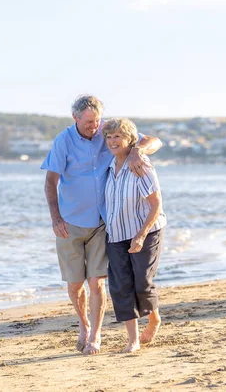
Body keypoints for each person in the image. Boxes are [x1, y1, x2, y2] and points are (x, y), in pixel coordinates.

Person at [41, 95, 162, 355]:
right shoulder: (64, 141)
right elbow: (51, 182)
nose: (94, 127)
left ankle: (95, 336)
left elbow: (154, 141)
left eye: (96, 121)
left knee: (96, 282)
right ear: (75, 118)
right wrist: (55, 218)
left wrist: (138, 151)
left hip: (101, 222)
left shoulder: (109, 131)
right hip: (70, 222)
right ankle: (84, 326)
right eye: (88, 122)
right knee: (75, 285)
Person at [102, 117, 167, 353]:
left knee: (142, 281)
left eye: (117, 136)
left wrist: (140, 235)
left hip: (146, 231)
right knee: (121, 286)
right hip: (117, 234)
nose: (112, 141)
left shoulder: (141, 164)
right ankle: (133, 339)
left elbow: (156, 205)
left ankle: (153, 318)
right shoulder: (109, 168)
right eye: (108, 137)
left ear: (130, 139)